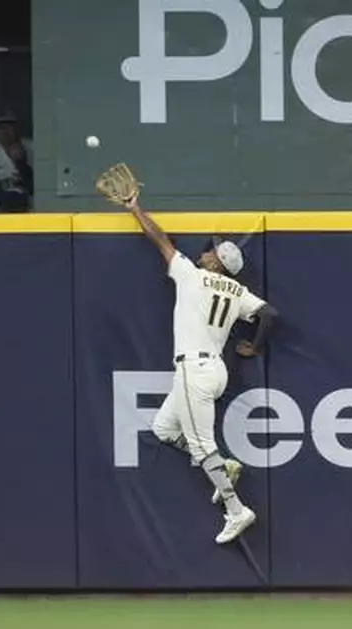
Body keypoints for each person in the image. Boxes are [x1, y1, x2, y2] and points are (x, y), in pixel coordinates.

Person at [128, 200, 278, 545]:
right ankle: (223, 466)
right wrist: (254, 347)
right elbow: (270, 314)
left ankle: (236, 509)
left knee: (200, 445)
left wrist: (135, 209)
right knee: (163, 428)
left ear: (216, 262)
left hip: (194, 370)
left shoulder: (191, 276)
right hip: (214, 368)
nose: (205, 251)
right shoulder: (238, 290)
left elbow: (160, 241)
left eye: (211, 250)